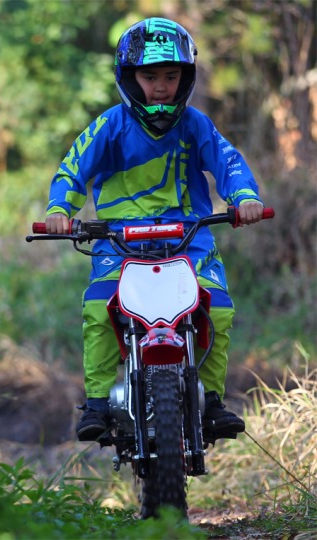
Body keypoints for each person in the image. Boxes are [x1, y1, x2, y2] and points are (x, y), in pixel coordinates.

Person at [43, 17, 265, 442]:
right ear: (129, 78)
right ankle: (97, 402)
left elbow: (229, 162)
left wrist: (245, 198)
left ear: (186, 77)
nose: (161, 86)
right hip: (118, 240)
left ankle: (211, 400)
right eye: (149, 76)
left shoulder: (196, 124)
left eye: (171, 75)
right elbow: (72, 170)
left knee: (217, 308)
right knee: (98, 308)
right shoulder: (110, 125)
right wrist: (59, 209)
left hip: (189, 236)